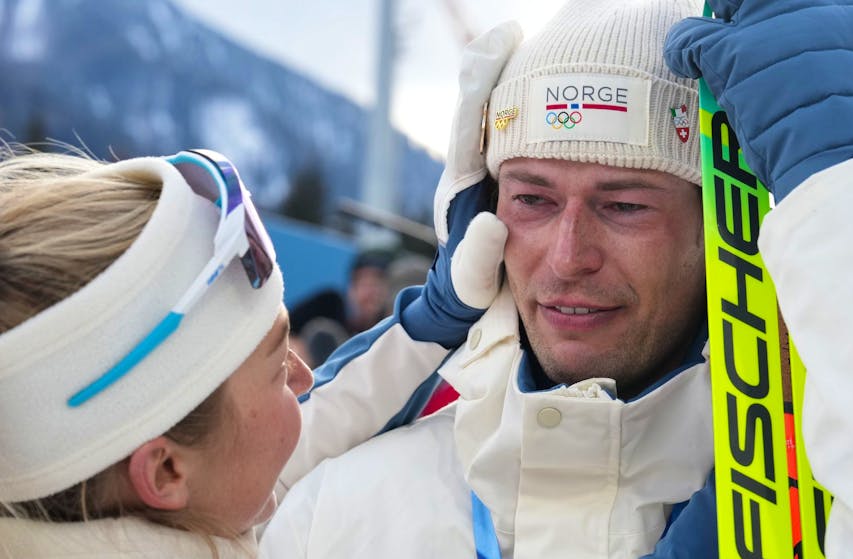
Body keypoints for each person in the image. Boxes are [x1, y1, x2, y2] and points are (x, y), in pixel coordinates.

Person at [263, 1, 853, 558]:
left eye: (624, 205)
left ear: (716, 231)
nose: (568, 254)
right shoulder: (346, 509)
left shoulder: (830, 495)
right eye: (532, 199)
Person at [0, 146, 499, 558]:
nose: (306, 380)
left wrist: (429, 324)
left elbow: (295, 432)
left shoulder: (183, 499)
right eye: (278, 368)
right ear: (165, 471)